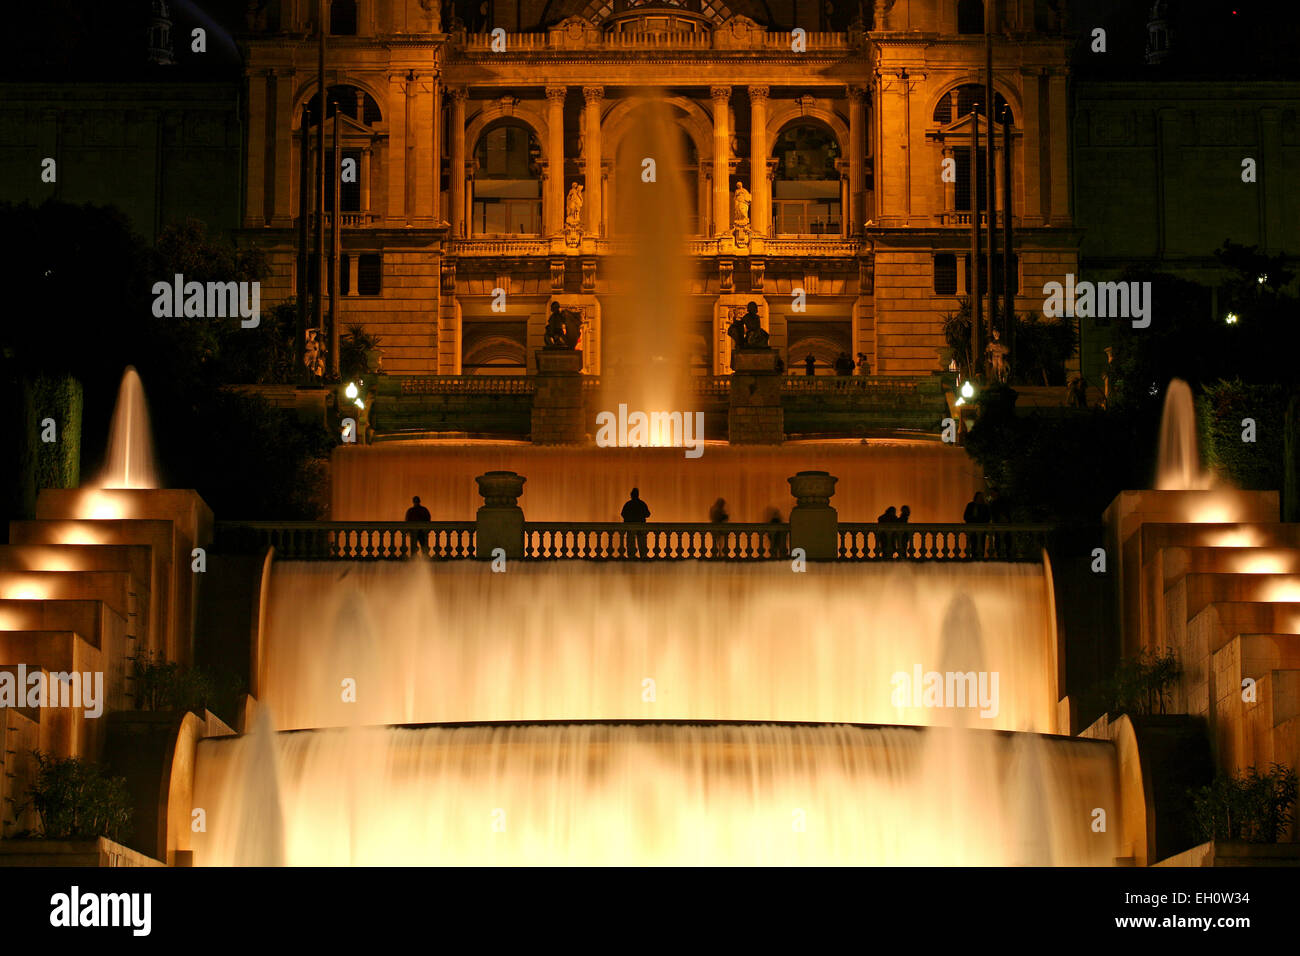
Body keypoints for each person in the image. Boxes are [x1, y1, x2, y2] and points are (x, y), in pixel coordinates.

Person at [621, 488, 651, 559]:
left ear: (631, 495)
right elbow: (648, 514)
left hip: (630, 526)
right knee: (641, 542)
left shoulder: (628, 504)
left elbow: (623, 514)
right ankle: (642, 556)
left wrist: (629, 518)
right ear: (637, 495)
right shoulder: (642, 504)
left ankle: (631, 556)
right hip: (640, 526)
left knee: (631, 542)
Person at [963, 491, 991, 559]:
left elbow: (987, 518)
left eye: (981, 497)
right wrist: (973, 519)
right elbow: (965, 516)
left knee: (981, 545)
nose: (980, 498)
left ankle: (980, 559)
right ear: (975, 497)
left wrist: (979, 520)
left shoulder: (985, 506)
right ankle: (974, 558)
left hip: (981, 530)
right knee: (973, 545)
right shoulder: (970, 505)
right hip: (972, 529)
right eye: (978, 497)